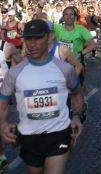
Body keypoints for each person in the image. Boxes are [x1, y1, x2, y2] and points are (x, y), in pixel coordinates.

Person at [0, 19, 84, 173]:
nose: (32, 43)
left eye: (38, 38)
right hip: (29, 136)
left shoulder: (65, 69)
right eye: (28, 38)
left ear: (49, 37)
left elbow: (77, 94)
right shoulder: (14, 73)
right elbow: (3, 104)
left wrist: (77, 116)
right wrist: (2, 124)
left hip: (59, 134)